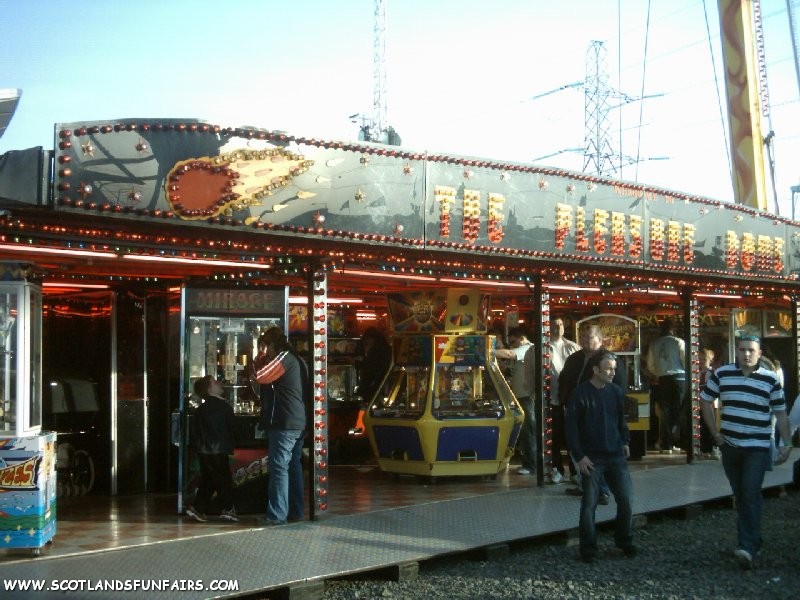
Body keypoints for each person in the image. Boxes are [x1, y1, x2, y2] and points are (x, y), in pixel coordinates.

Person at [700, 334, 793, 570]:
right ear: (736, 352)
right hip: (730, 446)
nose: (746, 354)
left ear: (760, 353)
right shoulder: (723, 374)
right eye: (742, 350)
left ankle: (747, 546)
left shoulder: (771, 379)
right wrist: (715, 434)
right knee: (741, 494)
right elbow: (705, 400)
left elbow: (781, 412)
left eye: (751, 350)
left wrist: (786, 443)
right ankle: (753, 538)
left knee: (749, 492)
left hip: (758, 447)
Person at [565, 351, 636, 563]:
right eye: (609, 369)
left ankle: (624, 540)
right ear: (595, 370)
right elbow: (571, 429)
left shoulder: (615, 391)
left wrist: (625, 441)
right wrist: (579, 456)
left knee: (627, 500)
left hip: (615, 454)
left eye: (614, 368)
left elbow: (621, 420)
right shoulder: (579, 394)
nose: (613, 373)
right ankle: (588, 549)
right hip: (592, 458)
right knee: (589, 505)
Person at [559, 324, 624, 503]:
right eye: (584, 337)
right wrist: (564, 401)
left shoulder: (608, 359)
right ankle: (585, 485)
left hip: (598, 411)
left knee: (595, 449)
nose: (587, 340)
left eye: (591, 337)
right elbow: (564, 380)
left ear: (600, 340)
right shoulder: (574, 358)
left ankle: (601, 490)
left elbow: (619, 385)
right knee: (576, 448)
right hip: (575, 409)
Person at [253, 327, 310, 526]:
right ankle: (295, 511)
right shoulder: (297, 359)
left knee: (279, 467)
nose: (265, 351)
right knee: (293, 465)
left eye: (266, 346)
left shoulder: (284, 357)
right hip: (298, 421)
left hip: (284, 422)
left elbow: (261, 376)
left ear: (271, 344)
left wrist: (260, 355)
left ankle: (277, 515)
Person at [186, 374, 238, 523]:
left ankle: (197, 507)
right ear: (210, 389)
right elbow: (233, 427)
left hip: (204, 450)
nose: (219, 383)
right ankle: (228, 509)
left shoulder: (201, 409)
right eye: (215, 382)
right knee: (223, 479)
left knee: (209, 479)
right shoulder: (223, 407)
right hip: (218, 449)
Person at [534, 316, 580, 484]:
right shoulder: (539, 349)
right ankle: (557, 469)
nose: (557, 328)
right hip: (550, 399)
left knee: (571, 437)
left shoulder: (573, 347)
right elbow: (531, 374)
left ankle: (575, 470)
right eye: (554, 325)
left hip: (570, 399)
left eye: (560, 324)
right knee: (553, 437)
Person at [496, 326, 536, 475]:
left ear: (521, 339)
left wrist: (487, 350)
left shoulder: (527, 348)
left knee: (529, 431)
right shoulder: (521, 352)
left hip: (527, 396)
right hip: (520, 396)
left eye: (513, 341)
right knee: (525, 431)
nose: (511, 345)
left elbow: (510, 354)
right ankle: (529, 462)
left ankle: (531, 465)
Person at [645, 319, 686, 453]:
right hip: (680, 377)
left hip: (663, 379)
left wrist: (659, 372)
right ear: (673, 329)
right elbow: (686, 360)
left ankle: (666, 444)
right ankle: (681, 440)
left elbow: (650, 365)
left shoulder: (654, 344)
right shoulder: (678, 342)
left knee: (665, 412)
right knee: (680, 409)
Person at [355, 327, 392, 404]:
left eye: (367, 343)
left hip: (374, 389)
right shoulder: (386, 349)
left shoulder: (376, 352)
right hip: (383, 387)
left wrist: (359, 362)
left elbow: (369, 371)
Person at [697, 348, 719, 458]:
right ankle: (705, 449)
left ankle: (714, 448)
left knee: (712, 425)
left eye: (704, 359)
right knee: (702, 427)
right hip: (700, 404)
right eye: (700, 359)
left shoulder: (713, 373)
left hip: (711, 404)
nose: (701, 361)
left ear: (710, 360)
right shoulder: (697, 373)